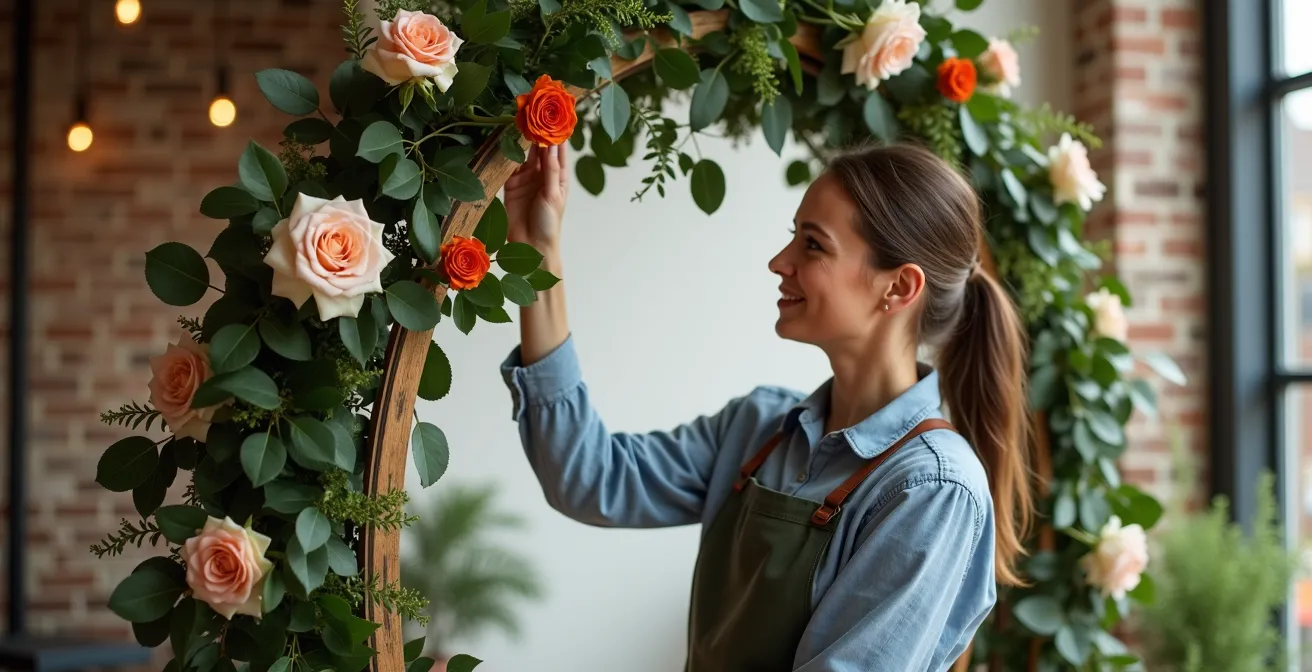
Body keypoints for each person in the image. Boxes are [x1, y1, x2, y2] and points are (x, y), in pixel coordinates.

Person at [497, 141, 1031, 671]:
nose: (780, 262)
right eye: (792, 238)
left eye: (813, 245)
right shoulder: (758, 427)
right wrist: (536, 246)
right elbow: (587, 478)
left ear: (898, 286)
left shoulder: (931, 489)